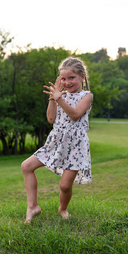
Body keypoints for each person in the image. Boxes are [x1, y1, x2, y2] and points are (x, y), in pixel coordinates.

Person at [21, 57, 93, 224]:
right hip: (55, 142)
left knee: (65, 186)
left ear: (82, 77)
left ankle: (63, 208)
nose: (67, 82)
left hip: (75, 147)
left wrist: (59, 98)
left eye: (71, 78)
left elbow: (75, 115)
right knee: (26, 166)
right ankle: (33, 206)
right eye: (64, 79)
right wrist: (53, 99)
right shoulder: (60, 96)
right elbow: (51, 119)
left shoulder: (86, 96)